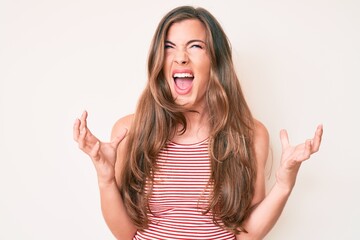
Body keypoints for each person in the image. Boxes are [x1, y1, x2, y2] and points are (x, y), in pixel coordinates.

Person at [73, 5, 323, 240]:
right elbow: (126, 235)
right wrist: (105, 178)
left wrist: (284, 184)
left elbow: (246, 234)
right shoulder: (130, 131)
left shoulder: (250, 134)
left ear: (216, 61)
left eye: (195, 46)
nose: (180, 57)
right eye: (169, 47)